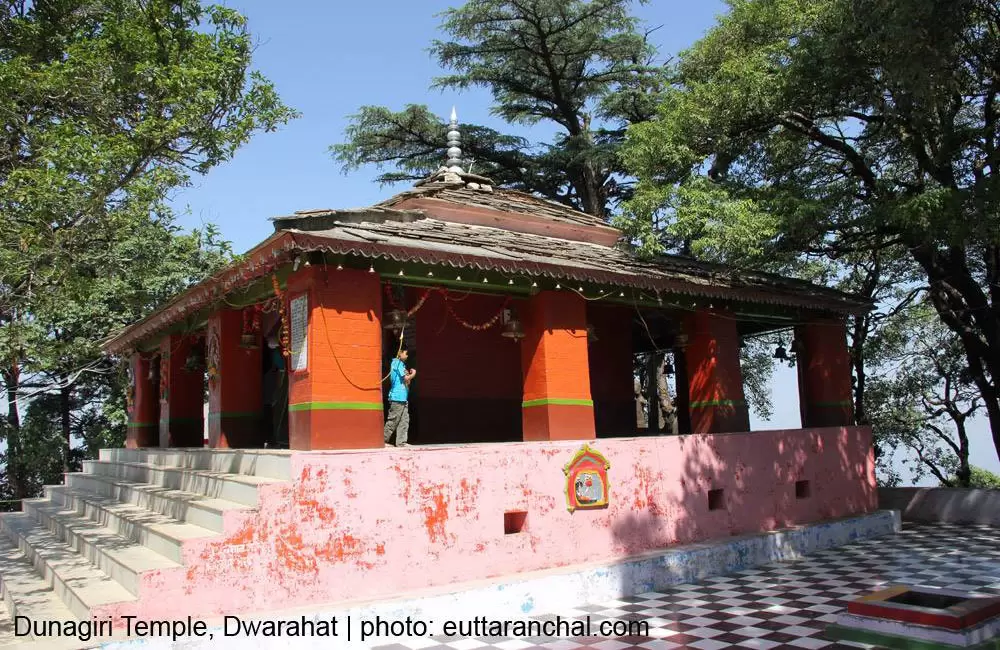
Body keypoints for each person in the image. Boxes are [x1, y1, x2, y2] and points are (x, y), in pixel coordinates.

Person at [384, 347, 416, 447]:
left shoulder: (401, 365)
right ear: (400, 353)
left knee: (404, 420)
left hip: (403, 397)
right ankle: (384, 440)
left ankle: (401, 442)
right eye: (405, 353)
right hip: (397, 397)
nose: (407, 356)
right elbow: (406, 378)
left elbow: (406, 381)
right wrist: (413, 374)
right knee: (393, 419)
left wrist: (408, 376)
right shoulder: (396, 363)